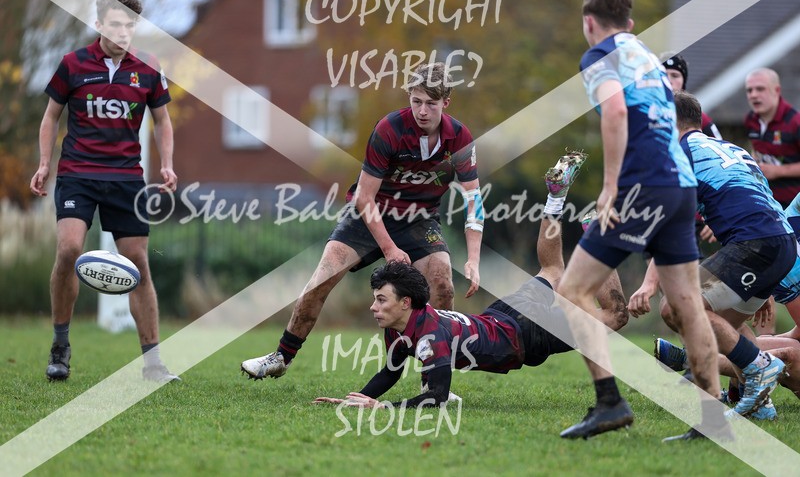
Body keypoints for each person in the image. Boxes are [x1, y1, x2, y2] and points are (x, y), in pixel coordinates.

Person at [314, 157, 628, 408]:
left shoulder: (428, 339)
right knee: (553, 270)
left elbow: (437, 397)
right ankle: (555, 199)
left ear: (405, 303)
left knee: (615, 315)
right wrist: (361, 398)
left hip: (527, 333)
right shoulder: (400, 329)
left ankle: (597, 237)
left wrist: (384, 408)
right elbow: (391, 370)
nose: (373, 306)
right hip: (503, 314)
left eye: (381, 300)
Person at [556, 0, 725, 442]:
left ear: (589, 22)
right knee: (689, 303)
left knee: (571, 291)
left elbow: (614, 112)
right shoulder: (648, 55)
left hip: (643, 186)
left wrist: (610, 186)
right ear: (629, 23)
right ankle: (713, 423)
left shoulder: (599, 55)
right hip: (680, 187)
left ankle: (609, 402)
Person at [241, 62, 483, 381]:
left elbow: (473, 199)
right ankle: (280, 357)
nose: (422, 111)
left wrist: (474, 260)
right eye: (416, 101)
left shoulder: (459, 138)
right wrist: (390, 249)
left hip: (419, 219)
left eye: (431, 104)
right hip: (367, 215)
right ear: (409, 97)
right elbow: (364, 198)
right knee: (320, 281)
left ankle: (435, 379)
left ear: (446, 103)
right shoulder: (390, 129)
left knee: (442, 284)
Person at [29, 0, 179, 383]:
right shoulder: (72, 64)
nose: (124, 31)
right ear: (99, 25)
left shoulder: (147, 67)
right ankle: (60, 347)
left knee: (139, 266)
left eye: (130, 25)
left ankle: (153, 364)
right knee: (69, 250)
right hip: (78, 173)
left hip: (126, 179)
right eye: (117, 24)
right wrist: (45, 163)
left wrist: (167, 165)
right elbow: (50, 118)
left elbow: (163, 121)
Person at [629, 91, 793, 420]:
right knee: (719, 328)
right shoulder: (732, 149)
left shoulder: (679, 153)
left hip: (756, 244)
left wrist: (648, 284)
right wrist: (767, 275)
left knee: (677, 307)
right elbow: (758, 202)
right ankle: (761, 406)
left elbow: (669, 224)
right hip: (780, 243)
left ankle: (760, 367)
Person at [744, 68, 800, 209]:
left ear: (777, 90)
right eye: (749, 90)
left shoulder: (795, 122)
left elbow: (773, 169)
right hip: (767, 206)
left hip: (794, 210)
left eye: (760, 89)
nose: (754, 95)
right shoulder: (750, 120)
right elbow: (758, 152)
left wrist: (778, 171)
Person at [661, 53, 722, 139]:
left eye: (675, 75)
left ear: (683, 81)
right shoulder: (645, 111)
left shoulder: (700, 118)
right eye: (664, 75)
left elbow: (719, 147)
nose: (669, 81)